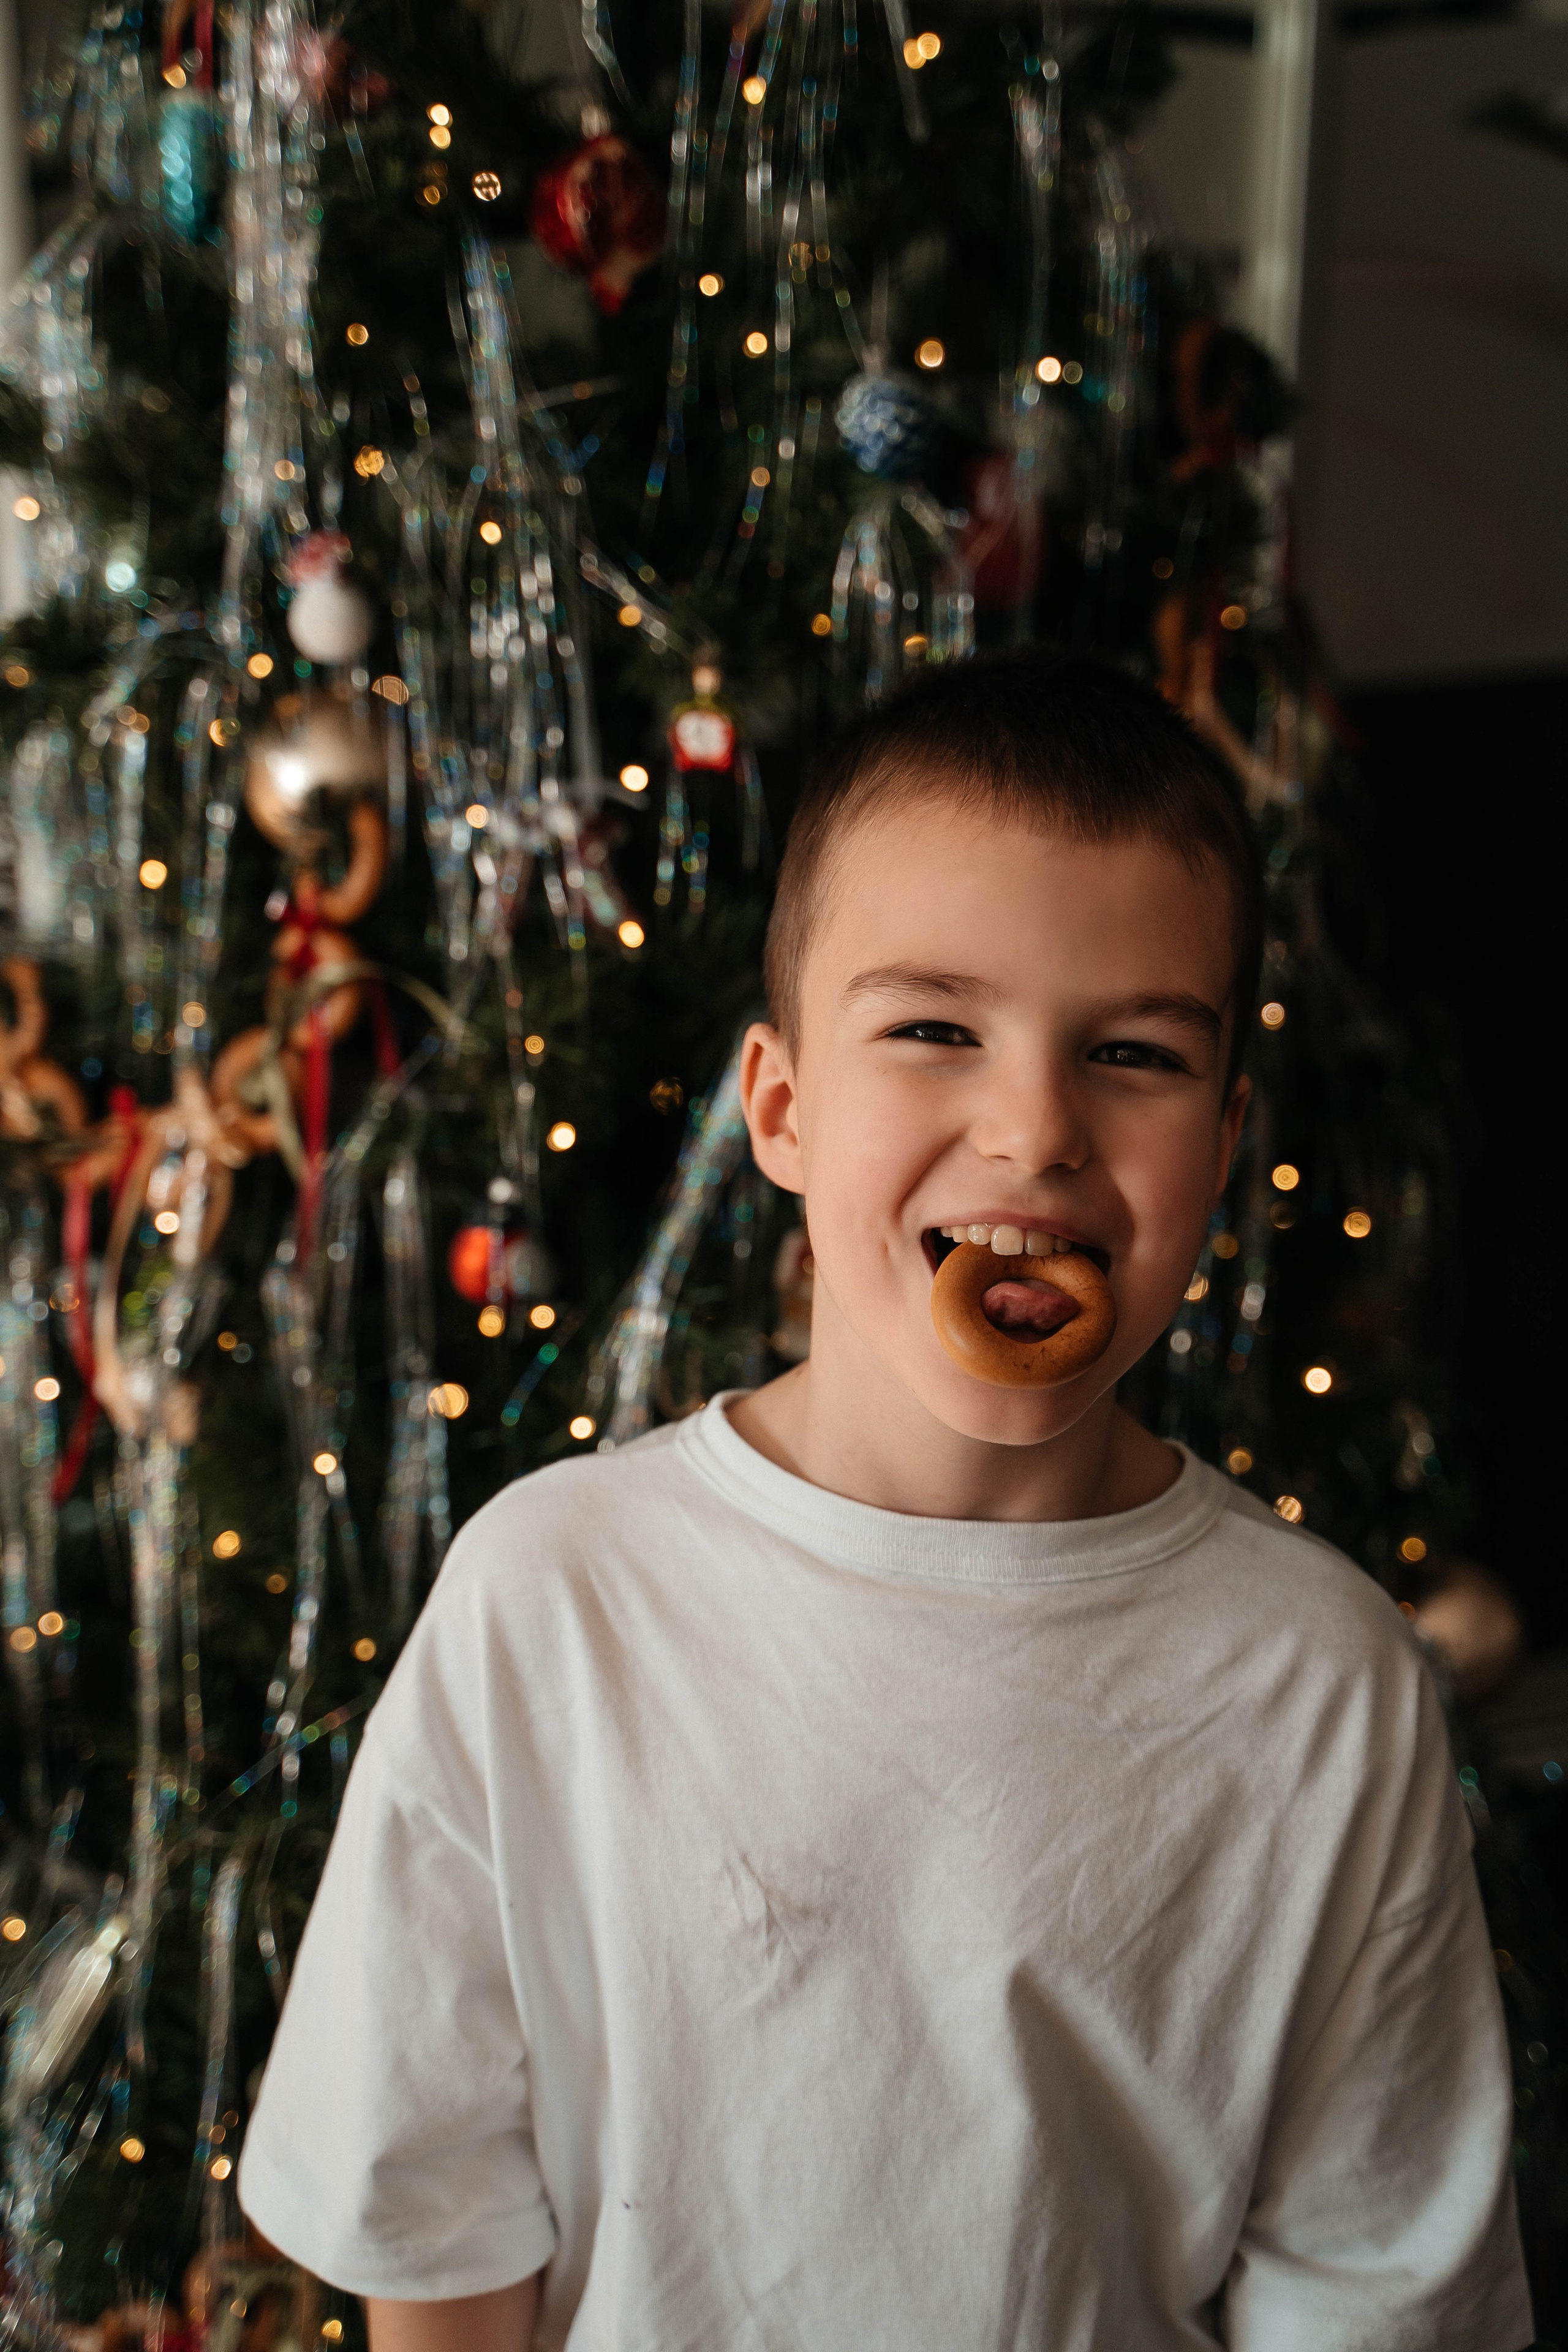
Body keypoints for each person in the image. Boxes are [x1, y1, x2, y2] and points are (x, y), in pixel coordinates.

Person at [238, 654, 1532, 2352]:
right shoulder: (555, 1599)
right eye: (935, 1029)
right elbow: (434, 2215)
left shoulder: (1325, 1682)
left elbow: (1372, 2288)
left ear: (1221, 1150)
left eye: (1133, 1052)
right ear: (781, 1106)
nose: (1036, 1128)